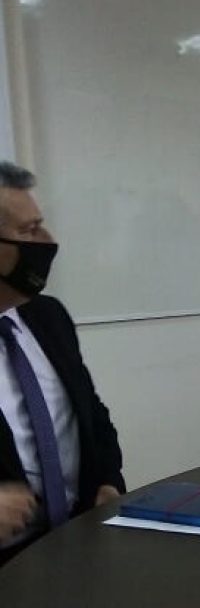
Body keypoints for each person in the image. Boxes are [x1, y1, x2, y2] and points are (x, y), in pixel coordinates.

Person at [0, 162, 124, 566]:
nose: (48, 242)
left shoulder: (48, 316)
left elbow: (91, 414)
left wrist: (108, 481)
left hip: (82, 539)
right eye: (29, 230)